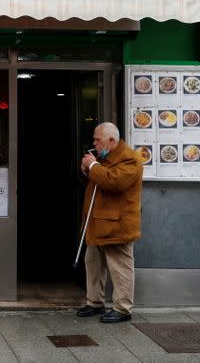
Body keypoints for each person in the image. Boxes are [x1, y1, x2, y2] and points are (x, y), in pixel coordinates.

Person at [76, 122, 143, 324]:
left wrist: (93, 166)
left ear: (112, 140)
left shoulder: (130, 159)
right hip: (97, 222)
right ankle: (94, 302)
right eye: (94, 139)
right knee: (93, 263)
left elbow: (114, 182)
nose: (94, 143)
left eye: (98, 139)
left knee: (120, 266)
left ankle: (123, 308)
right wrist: (88, 170)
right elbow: (97, 182)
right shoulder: (104, 157)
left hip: (117, 225)